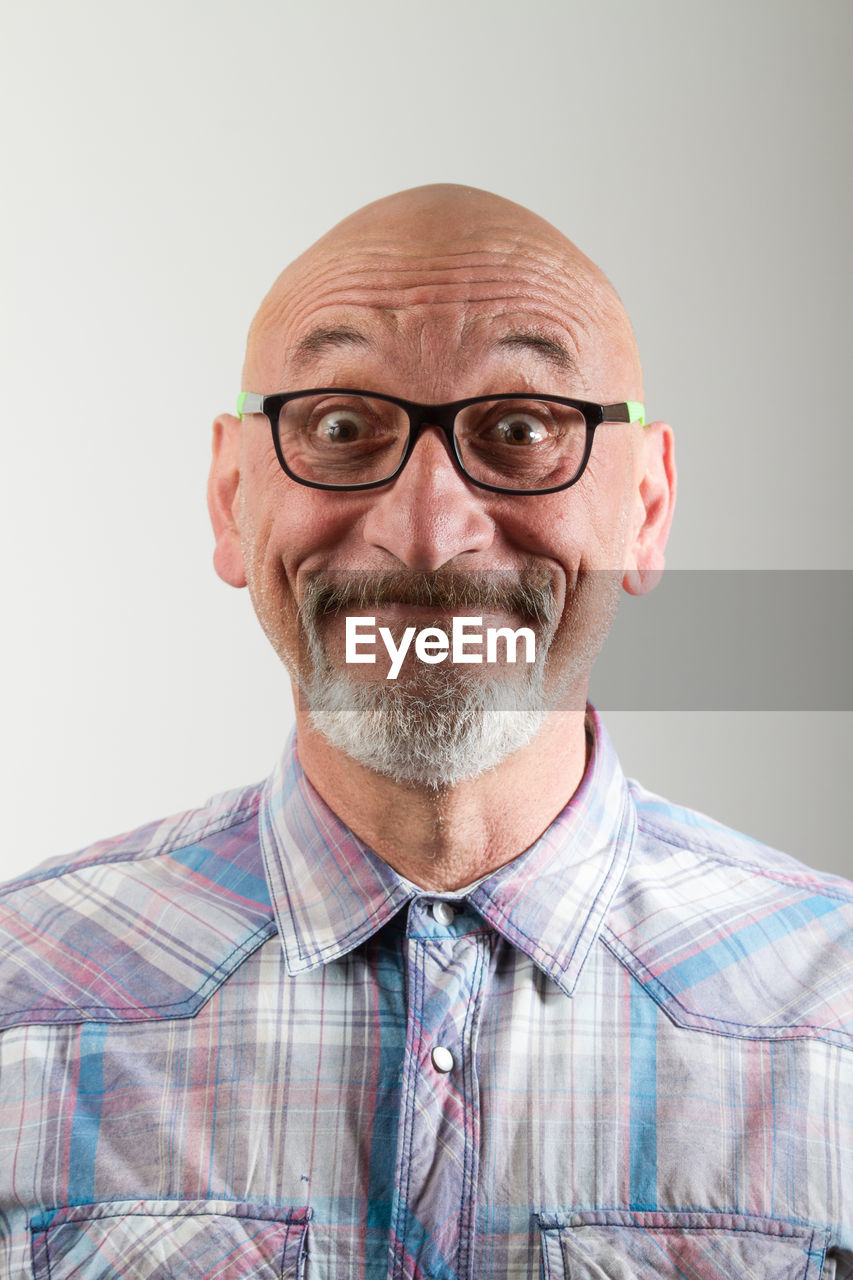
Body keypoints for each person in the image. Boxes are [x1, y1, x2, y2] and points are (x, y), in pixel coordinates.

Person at [1, 184, 850, 1279]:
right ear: (229, 496)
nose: (426, 531)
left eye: (522, 429)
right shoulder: (21, 1001)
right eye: (342, 428)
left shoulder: (832, 1017)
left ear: (645, 506)